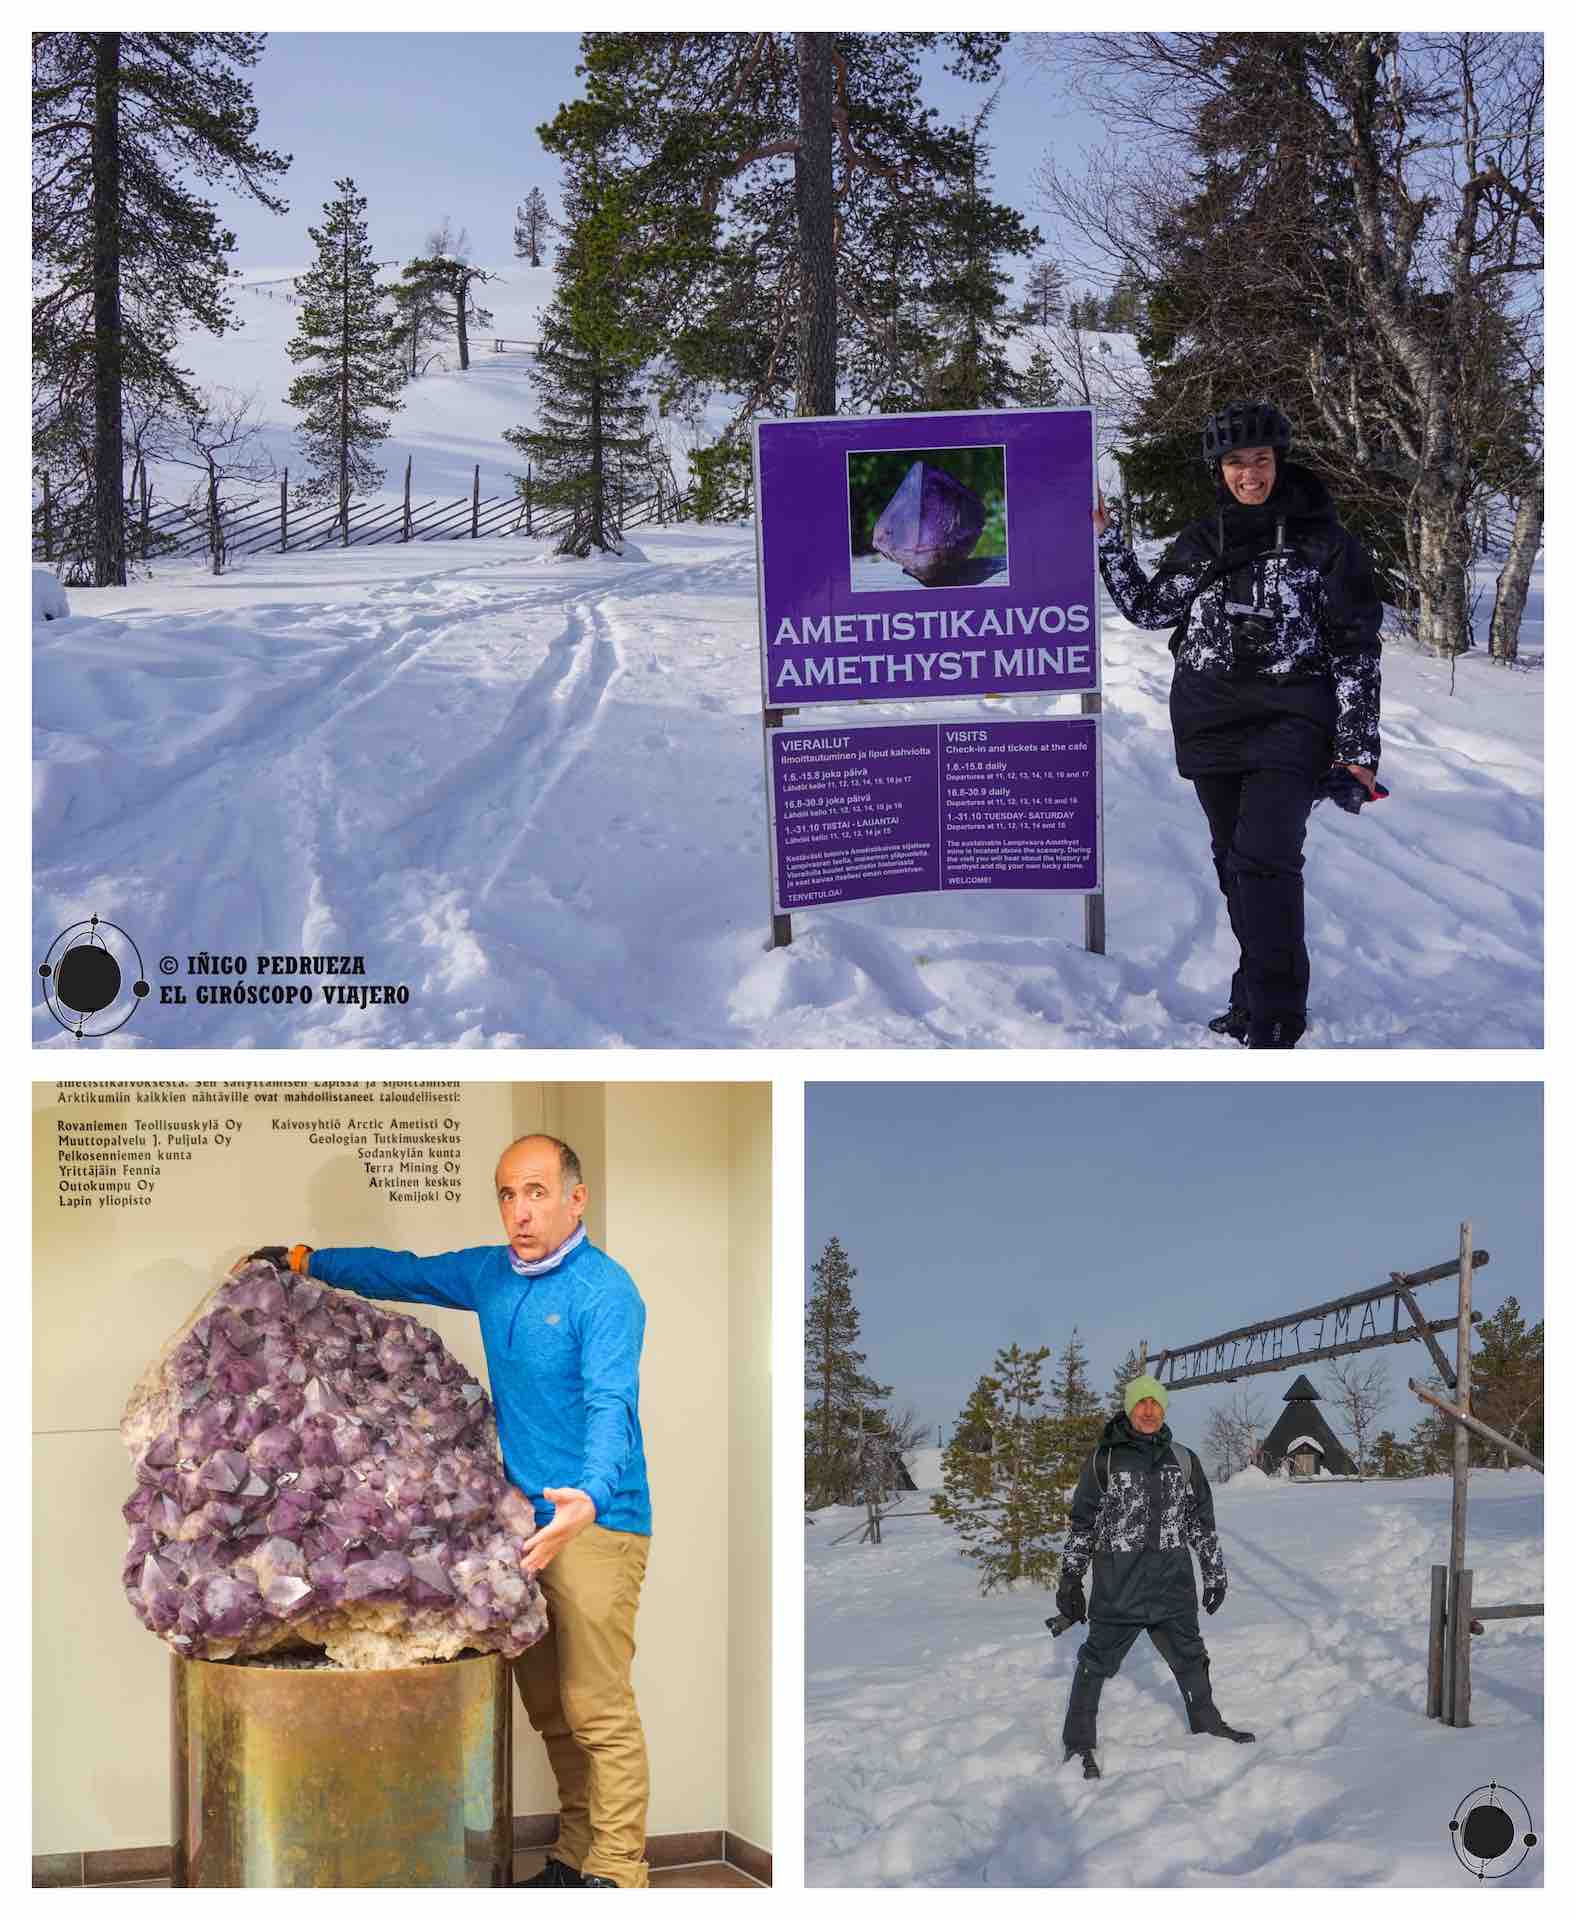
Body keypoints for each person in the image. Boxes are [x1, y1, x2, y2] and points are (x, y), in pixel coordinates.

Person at [250, 1132, 653, 1888]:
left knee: (598, 1709)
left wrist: (590, 1496)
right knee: (551, 1712)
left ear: (576, 1198)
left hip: (597, 1526)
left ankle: (621, 1875)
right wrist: (305, 1261)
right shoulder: (493, 1274)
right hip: (522, 1530)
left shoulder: (606, 1292)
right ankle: (574, 1860)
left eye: (536, 1192)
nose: (520, 1212)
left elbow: (613, 1405)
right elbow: (405, 1273)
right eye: (508, 1194)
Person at [1095, 400, 1383, 1048]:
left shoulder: (1326, 544)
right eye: (1235, 463)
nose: (1249, 475)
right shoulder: (1207, 538)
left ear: (1280, 461)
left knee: (1265, 860)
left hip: (1292, 719)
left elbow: (1356, 648)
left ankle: (1278, 1012)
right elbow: (1149, 609)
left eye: (1260, 460)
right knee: (1234, 863)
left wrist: (1359, 746)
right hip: (1211, 719)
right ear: (1218, 470)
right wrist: (1109, 540)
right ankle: (1252, 991)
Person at [1055, 1374, 1254, 1779]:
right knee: (1094, 1664)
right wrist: (1071, 1580)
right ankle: (1077, 1745)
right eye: (1141, 1403)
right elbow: (1083, 1525)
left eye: (1156, 1404)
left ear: (1164, 1410)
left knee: (1191, 1660)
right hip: (1118, 1587)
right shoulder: (1104, 1459)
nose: (1149, 1410)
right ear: (1129, 1408)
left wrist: (1215, 1573)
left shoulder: (1183, 1458)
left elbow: (1201, 1523)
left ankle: (1207, 1724)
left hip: (1172, 1585)